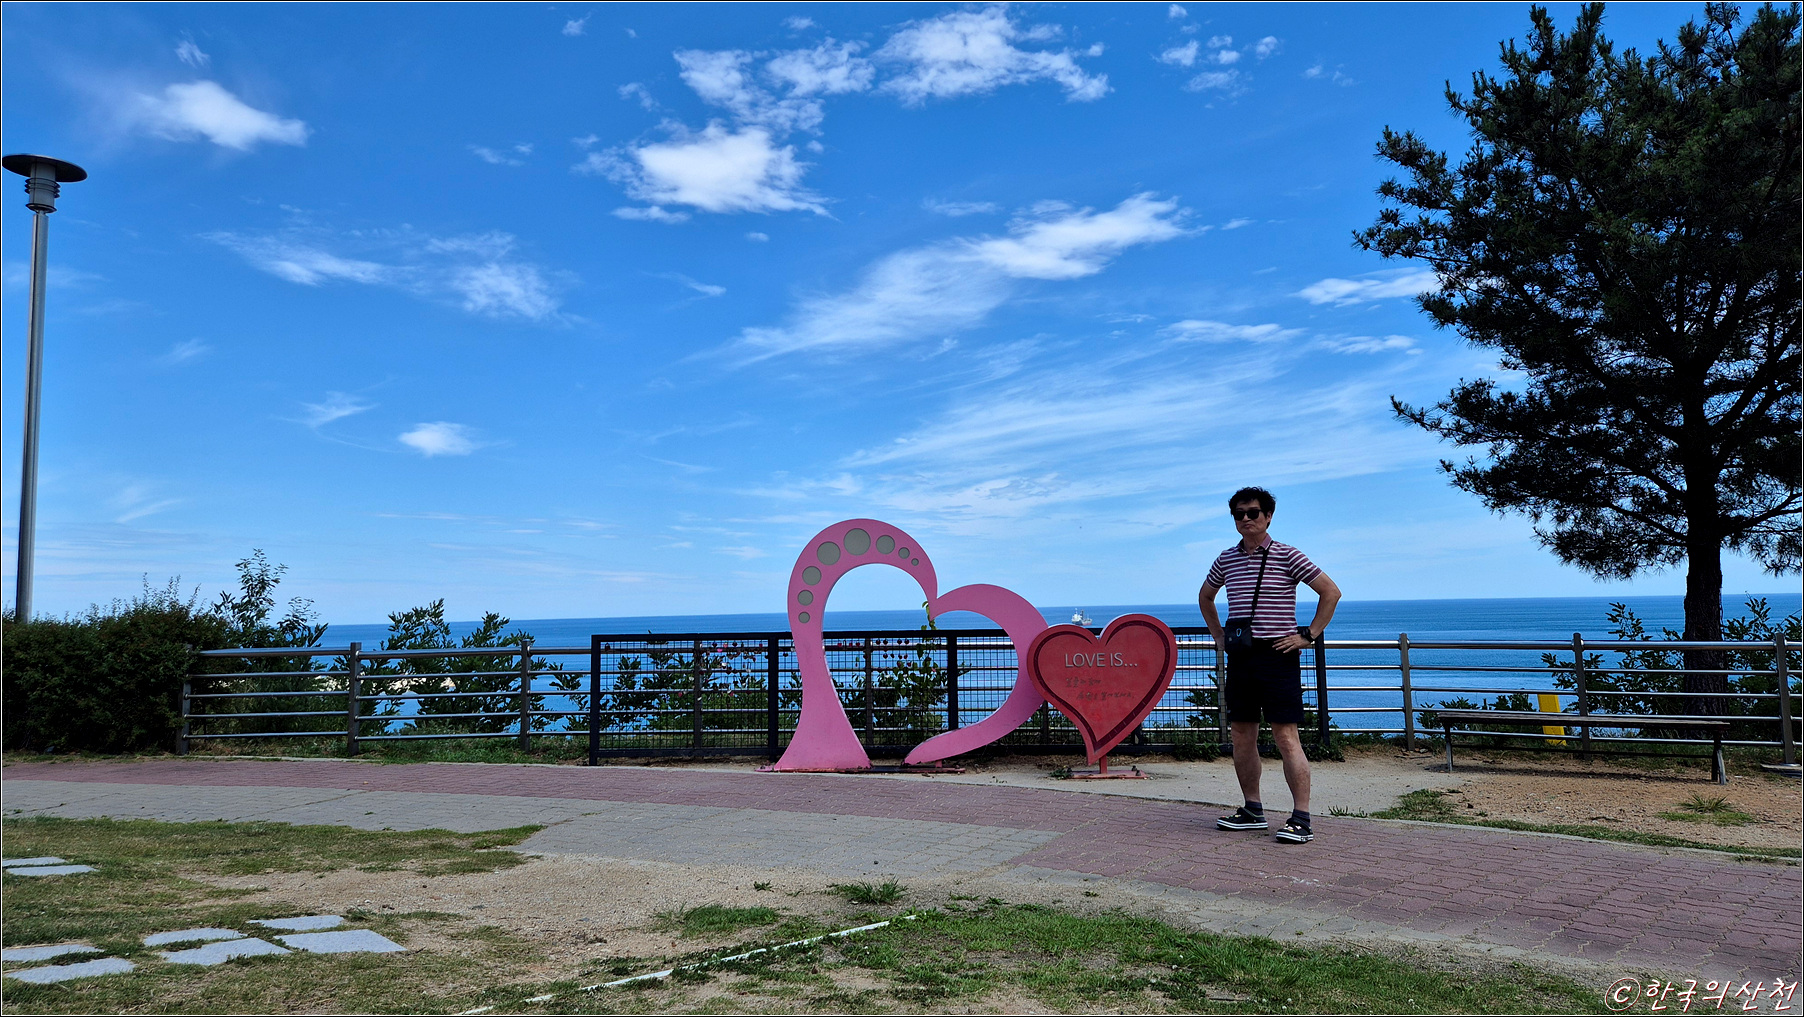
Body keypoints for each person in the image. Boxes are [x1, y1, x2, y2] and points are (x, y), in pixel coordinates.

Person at [1197, 486, 1342, 844]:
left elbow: (1330, 592)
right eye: (1239, 514)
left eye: (1253, 512)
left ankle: (1301, 818)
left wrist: (1308, 635)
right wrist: (1218, 635)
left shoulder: (1287, 555)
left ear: (1269, 516)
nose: (1246, 519)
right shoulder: (1226, 560)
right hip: (1242, 656)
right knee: (1241, 735)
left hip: (1278, 654)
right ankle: (1252, 810)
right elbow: (1206, 596)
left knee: (1286, 736)